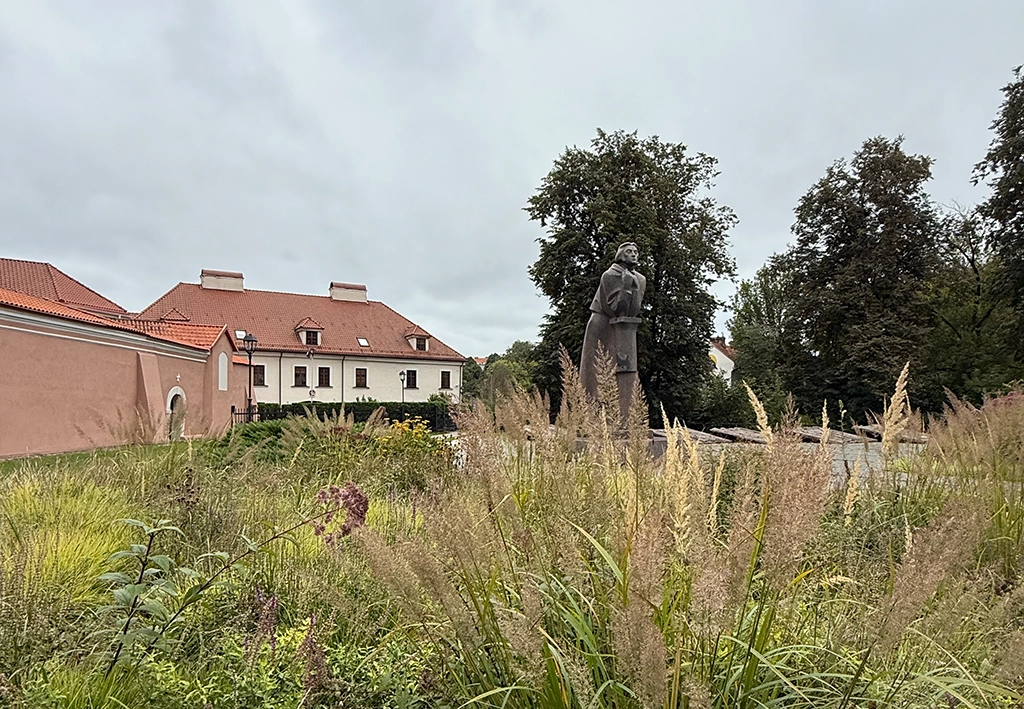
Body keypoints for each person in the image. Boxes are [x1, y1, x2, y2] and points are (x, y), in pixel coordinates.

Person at [580, 242, 646, 422]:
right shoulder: (609, 275)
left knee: (624, 370)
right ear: (621, 255)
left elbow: (633, 310)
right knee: (596, 370)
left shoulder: (640, 279)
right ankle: (593, 418)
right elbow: (615, 308)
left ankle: (625, 417)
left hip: (625, 327)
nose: (634, 255)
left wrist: (632, 285)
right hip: (602, 325)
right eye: (629, 252)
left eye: (635, 251)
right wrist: (625, 286)